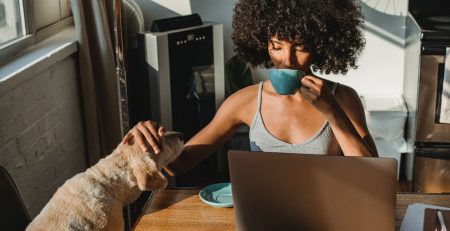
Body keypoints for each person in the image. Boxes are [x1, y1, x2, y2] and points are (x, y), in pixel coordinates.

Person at [123, 0, 378, 176]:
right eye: (277, 46)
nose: (287, 60)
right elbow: (182, 162)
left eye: (301, 47)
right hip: (262, 213)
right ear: (263, 44)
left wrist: (332, 112)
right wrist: (151, 142)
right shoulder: (244, 101)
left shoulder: (341, 98)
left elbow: (372, 174)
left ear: (321, 47)